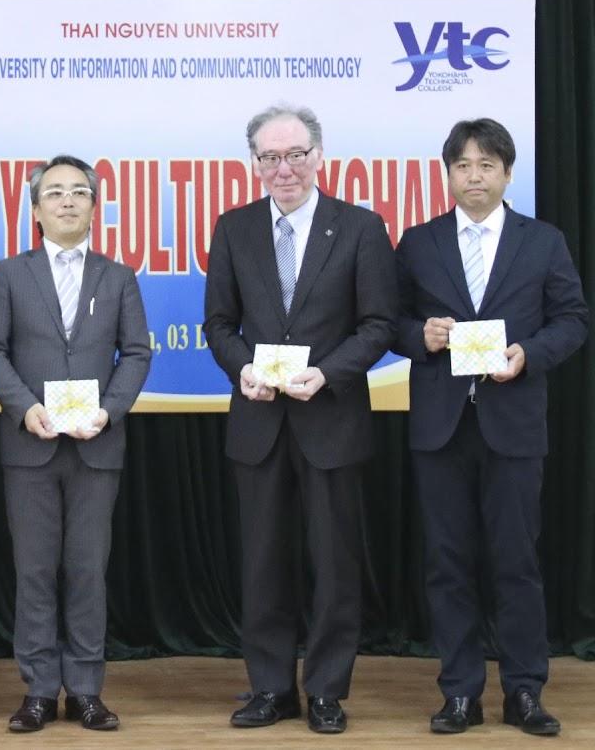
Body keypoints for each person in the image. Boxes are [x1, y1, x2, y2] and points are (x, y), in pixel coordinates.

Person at [204, 105, 396, 735]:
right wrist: (242, 369)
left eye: (294, 155)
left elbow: (377, 325)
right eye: (270, 157)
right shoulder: (233, 228)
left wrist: (328, 373)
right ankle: (270, 688)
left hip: (331, 419)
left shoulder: (361, 227)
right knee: (263, 564)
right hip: (259, 422)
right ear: (253, 163)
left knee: (335, 565)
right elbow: (219, 324)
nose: (282, 168)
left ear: (318, 156)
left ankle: (326, 691)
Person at [394, 119, 588, 737]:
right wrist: (418, 336)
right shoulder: (419, 242)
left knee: (516, 561)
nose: (473, 177)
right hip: (441, 428)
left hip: (513, 424)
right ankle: (459, 692)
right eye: (462, 166)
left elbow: (573, 319)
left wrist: (529, 354)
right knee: (447, 563)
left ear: (507, 173)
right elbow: (388, 320)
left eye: (486, 165)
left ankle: (525, 690)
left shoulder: (543, 242)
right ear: (447, 174)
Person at [0, 155, 151, 734]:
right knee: (33, 572)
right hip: (31, 446)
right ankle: (38, 690)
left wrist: (109, 410)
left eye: (79, 191)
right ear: (35, 210)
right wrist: (24, 408)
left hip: (96, 447)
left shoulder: (118, 276)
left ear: (95, 206)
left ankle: (85, 691)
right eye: (54, 192)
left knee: (87, 571)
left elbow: (137, 353)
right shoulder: (9, 273)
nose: (68, 200)